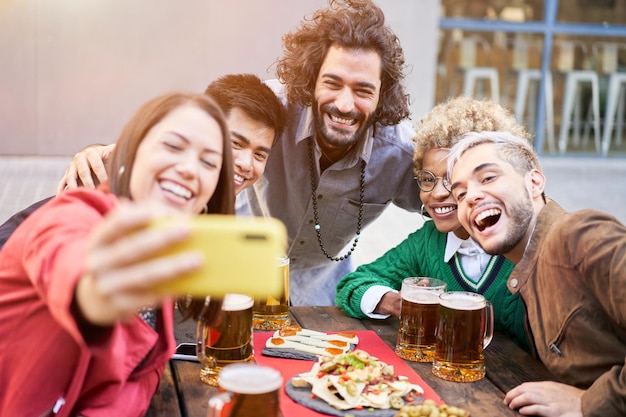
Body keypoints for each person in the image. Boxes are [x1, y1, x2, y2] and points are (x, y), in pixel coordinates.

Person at [48, 0, 421, 306]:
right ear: (311, 78)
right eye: (332, 82)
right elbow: (187, 132)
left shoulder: (400, 152)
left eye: (362, 90)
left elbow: (459, 198)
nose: (344, 103)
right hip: (224, 275)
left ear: (382, 94)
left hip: (320, 299)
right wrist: (101, 152)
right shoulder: (270, 107)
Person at [0, 92, 235, 416]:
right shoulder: (73, 215)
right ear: (129, 155)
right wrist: (94, 296)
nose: (189, 169)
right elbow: (70, 265)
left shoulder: (159, 255)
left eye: (209, 162)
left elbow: (143, 374)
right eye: (172, 146)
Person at [447, 131, 626, 417]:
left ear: (534, 182)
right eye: (460, 194)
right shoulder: (528, 265)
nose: (472, 197)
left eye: (488, 178)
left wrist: (588, 402)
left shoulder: (578, 233)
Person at [0, 74, 285, 250]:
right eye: (235, 144)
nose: (247, 163)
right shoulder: (107, 194)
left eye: (260, 154)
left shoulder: (212, 208)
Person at [335, 96, 530, 352]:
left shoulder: (521, 240)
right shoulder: (428, 243)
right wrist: (392, 301)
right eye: (427, 179)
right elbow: (351, 285)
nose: (437, 193)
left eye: (451, 179)